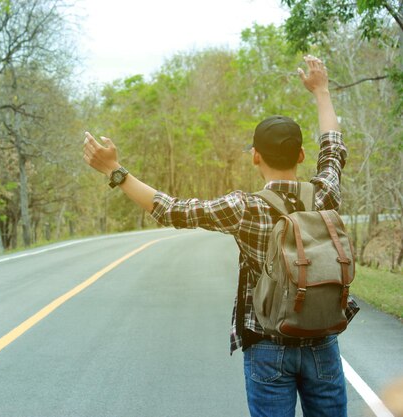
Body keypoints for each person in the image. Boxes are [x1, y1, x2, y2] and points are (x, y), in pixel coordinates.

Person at [82, 55, 360, 417]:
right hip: (321, 339)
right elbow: (333, 147)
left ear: (255, 157)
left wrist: (116, 171)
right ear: (302, 154)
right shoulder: (325, 194)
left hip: (267, 343)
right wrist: (321, 90)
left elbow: (172, 209)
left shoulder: (244, 207)